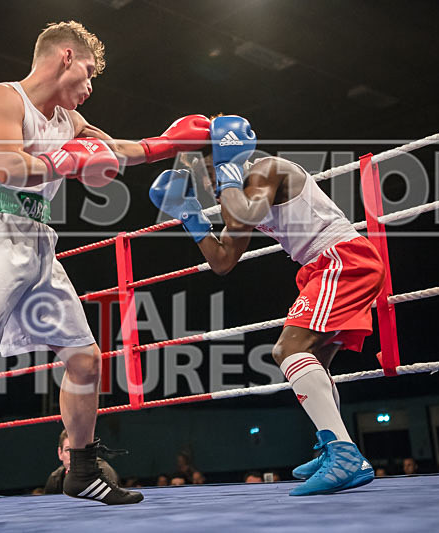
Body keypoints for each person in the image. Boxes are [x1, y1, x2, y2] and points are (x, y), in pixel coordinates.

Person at [0, 20, 210, 532]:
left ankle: (80, 470)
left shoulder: (70, 122)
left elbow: (115, 151)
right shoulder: (2, 98)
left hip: (38, 240)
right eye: (89, 70)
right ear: (65, 56)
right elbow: (8, 167)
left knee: (84, 360)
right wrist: (69, 161)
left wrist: (169, 143)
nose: (91, 85)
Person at [149, 115, 383, 496]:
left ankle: (344, 454)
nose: (209, 181)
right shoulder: (237, 193)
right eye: (204, 173)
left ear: (231, 154)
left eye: (210, 166)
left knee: (287, 349)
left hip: (343, 259)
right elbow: (223, 261)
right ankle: (335, 449)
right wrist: (189, 216)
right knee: (314, 361)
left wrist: (225, 169)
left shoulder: (266, 170)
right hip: (324, 266)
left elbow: (249, 214)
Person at [44, 429, 120, 494]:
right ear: (60, 453)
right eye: (68, 450)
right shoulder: (55, 480)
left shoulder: (104, 471)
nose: (73, 456)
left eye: (78, 451)